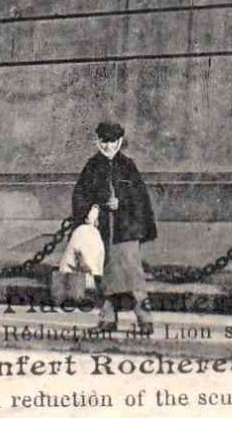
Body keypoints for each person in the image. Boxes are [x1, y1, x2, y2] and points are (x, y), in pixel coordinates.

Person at [72, 121, 158, 335]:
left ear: (120, 142)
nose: (108, 146)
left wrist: (122, 204)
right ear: (97, 141)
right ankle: (107, 319)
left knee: (132, 275)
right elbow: (80, 194)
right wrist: (89, 210)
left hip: (125, 230)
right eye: (103, 141)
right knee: (103, 275)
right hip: (102, 230)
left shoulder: (128, 166)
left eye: (112, 141)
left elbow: (140, 199)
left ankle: (145, 320)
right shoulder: (91, 166)